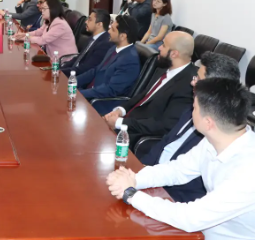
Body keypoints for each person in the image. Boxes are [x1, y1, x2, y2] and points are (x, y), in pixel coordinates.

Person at [106, 78, 255, 240]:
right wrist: (134, 180)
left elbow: (190, 218)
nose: (191, 111)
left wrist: (131, 194)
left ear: (208, 123)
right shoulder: (217, 139)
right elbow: (177, 170)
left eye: (194, 108)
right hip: (201, 231)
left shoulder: (248, 173)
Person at [139, 52, 241, 203]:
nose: (192, 83)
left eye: (198, 79)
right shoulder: (192, 108)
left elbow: (190, 186)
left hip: (176, 197)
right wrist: (140, 170)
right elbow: (166, 142)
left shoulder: (219, 129)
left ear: (213, 88)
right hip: (156, 177)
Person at [102, 31, 197, 146]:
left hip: (136, 136)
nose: (159, 48)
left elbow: (164, 125)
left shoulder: (189, 85)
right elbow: (143, 95)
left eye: (164, 45)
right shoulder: (163, 67)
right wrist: (120, 111)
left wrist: (119, 122)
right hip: (125, 122)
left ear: (174, 54)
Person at [77, 15, 140, 114]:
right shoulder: (113, 48)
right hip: (90, 93)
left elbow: (110, 90)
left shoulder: (130, 60)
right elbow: (95, 71)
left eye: (113, 29)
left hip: (100, 103)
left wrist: (80, 94)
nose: (109, 31)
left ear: (123, 36)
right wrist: (72, 83)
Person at [61, 9, 112, 77]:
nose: (86, 22)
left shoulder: (104, 44)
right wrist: (60, 69)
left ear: (99, 24)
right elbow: (78, 58)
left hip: (80, 78)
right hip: (73, 72)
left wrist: (62, 72)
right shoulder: (92, 38)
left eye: (89, 20)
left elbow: (85, 68)